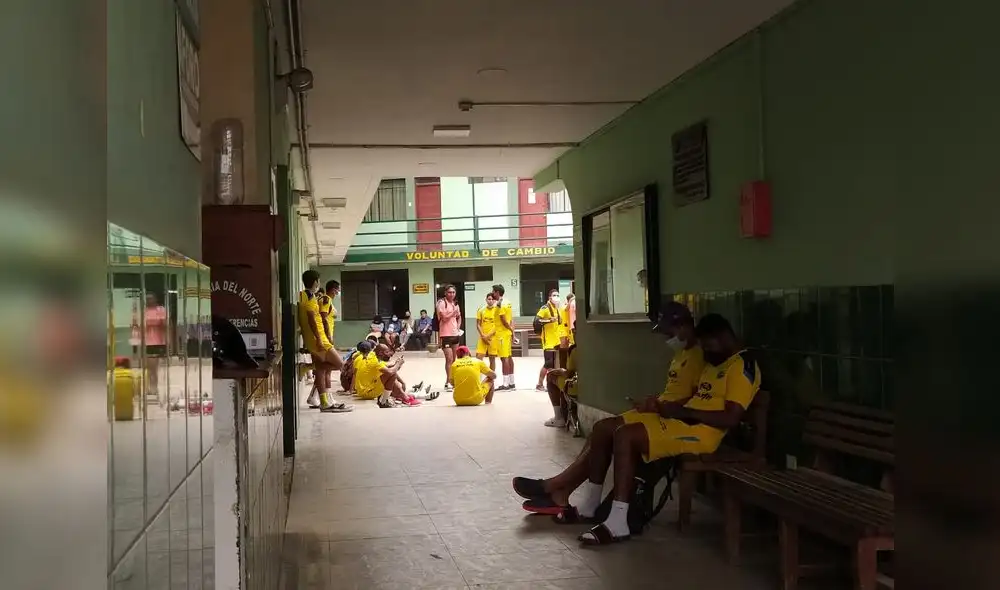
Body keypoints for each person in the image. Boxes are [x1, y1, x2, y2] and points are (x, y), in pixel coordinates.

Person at [514, 310, 758, 547]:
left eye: (709, 345)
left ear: (724, 337)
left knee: (626, 436)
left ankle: (618, 520)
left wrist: (680, 411)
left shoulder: (741, 366)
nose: (705, 351)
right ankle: (590, 505)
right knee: (604, 429)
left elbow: (730, 418)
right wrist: (667, 408)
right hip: (682, 420)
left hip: (701, 432)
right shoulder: (716, 362)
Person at [297, 270, 352, 413]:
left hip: (316, 338)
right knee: (341, 365)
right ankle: (308, 367)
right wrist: (321, 338)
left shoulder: (306, 296)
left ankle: (324, 402)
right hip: (319, 339)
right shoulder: (309, 297)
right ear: (316, 282)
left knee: (321, 370)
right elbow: (311, 319)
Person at [354, 343, 422, 407]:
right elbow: (390, 372)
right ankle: (388, 400)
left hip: (363, 390)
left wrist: (397, 364)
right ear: (380, 353)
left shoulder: (372, 356)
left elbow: (388, 366)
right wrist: (398, 364)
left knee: (390, 372)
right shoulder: (375, 361)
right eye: (386, 352)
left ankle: (400, 395)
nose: (389, 354)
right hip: (367, 393)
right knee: (391, 374)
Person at [544, 343, 578, 428]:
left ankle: (558, 418)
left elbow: (569, 374)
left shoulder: (575, 349)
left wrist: (559, 371)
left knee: (550, 376)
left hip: (577, 386)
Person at [535, 289, 562, 391]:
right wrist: (548, 320)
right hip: (548, 341)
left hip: (556, 340)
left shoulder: (556, 309)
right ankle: (539, 384)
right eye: (554, 295)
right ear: (549, 297)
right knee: (548, 363)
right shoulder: (545, 308)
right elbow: (537, 320)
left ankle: (553, 384)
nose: (556, 297)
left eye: (557, 295)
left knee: (555, 364)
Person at [436, 284, 462, 391]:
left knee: (455, 359)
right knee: (449, 358)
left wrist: (457, 327)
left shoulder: (455, 304)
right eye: (450, 292)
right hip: (445, 335)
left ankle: (453, 380)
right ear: (445, 293)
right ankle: (448, 381)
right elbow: (444, 318)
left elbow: (459, 317)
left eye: (453, 292)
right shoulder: (441, 303)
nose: (452, 294)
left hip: (455, 334)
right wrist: (453, 313)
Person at [143, 292, 168, 404]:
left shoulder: (160, 310)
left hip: (157, 342)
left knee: (154, 367)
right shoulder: (144, 312)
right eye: (147, 299)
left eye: (151, 299)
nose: (149, 301)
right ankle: (150, 388)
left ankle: (154, 388)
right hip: (147, 343)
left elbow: (165, 326)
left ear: (155, 299)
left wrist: (167, 342)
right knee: (149, 368)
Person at [491, 284, 516, 390]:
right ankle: (512, 382)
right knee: (509, 357)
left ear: (497, 292)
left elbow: (503, 320)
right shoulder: (508, 302)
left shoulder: (500, 304)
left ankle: (505, 384)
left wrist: (510, 329)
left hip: (501, 334)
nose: (492, 293)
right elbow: (511, 319)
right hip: (506, 334)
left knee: (504, 358)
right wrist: (512, 331)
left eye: (493, 291)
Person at [475, 293, 499, 372]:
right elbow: (478, 324)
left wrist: (488, 336)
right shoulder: (481, 310)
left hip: (493, 338)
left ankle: (491, 379)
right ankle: (478, 376)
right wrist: (483, 336)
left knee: (492, 358)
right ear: (486, 300)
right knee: (479, 357)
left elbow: (497, 325)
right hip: (482, 337)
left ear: (494, 301)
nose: (490, 301)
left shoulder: (497, 310)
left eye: (492, 299)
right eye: (489, 299)